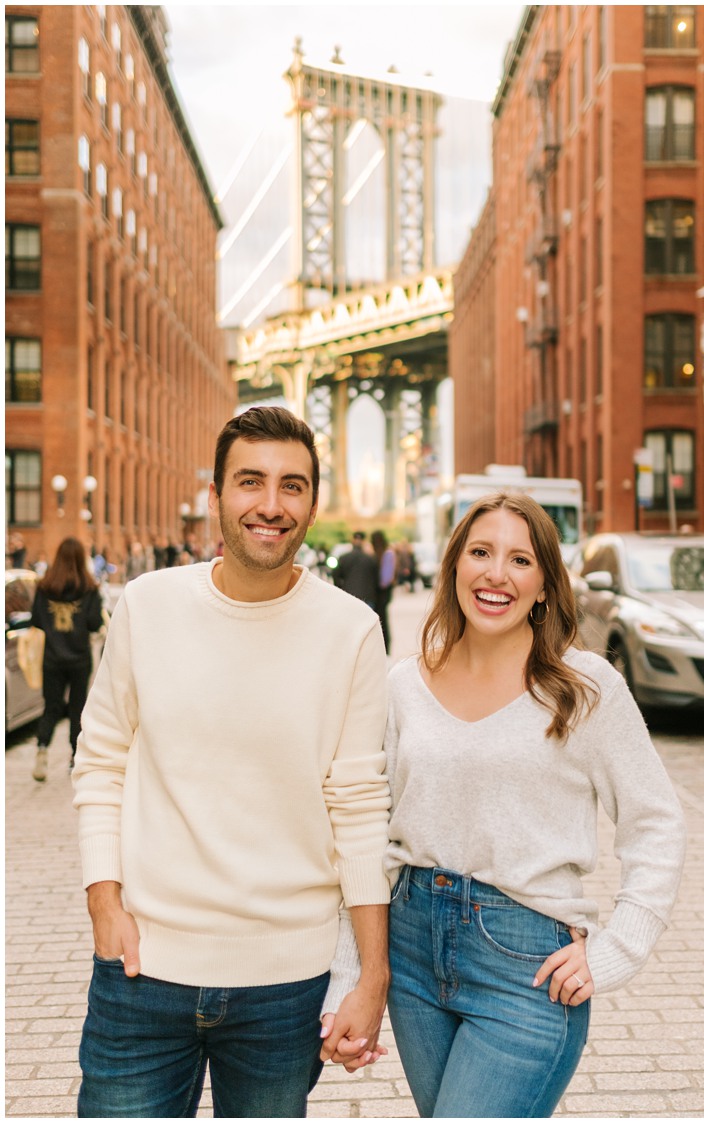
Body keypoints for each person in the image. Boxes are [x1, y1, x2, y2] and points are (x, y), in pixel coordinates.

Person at [71, 406, 392, 1117]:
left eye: (292, 486)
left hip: (286, 987)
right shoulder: (147, 606)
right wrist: (103, 899)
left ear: (312, 502)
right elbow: (100, 761)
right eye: (250, 482)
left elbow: (361, 808)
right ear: (214, 497)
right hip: (141, 971)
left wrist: (372, 976)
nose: (271, 505)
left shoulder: (352, 631)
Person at [323, 491, 686, 1117]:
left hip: (525, 965)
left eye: (520, 560)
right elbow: (371, 841)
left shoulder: (585, 688)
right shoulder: (403, 685)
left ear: (545, 583)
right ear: (454, 567)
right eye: (481, 553)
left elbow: (655, 821)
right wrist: (350, 979)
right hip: (409, 953)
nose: (496, 574)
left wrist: (620, 946)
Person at [28, 537, 105, 781]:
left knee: (51, 706)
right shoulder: (89, 589)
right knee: (77, 708)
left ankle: (42, 748)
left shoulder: (44, 587)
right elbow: (94, 623)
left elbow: (37, 621)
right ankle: (74, 757)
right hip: (79, 658)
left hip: (52, 657)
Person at [335, 530, 379, 611]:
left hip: (349, 595)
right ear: (364, 541)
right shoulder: (370, 559)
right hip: (367, 596)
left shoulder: (344, 558)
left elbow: (336, 576)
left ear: (352, 540)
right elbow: (376, 579)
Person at [371, 529, 396, 654]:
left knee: (381, 620)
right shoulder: (387, 553)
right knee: (383, 620)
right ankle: (384, 648)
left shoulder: (385, 554)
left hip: (380, 592)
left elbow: (385, 579)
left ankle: (384, 648)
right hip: (384, 592)